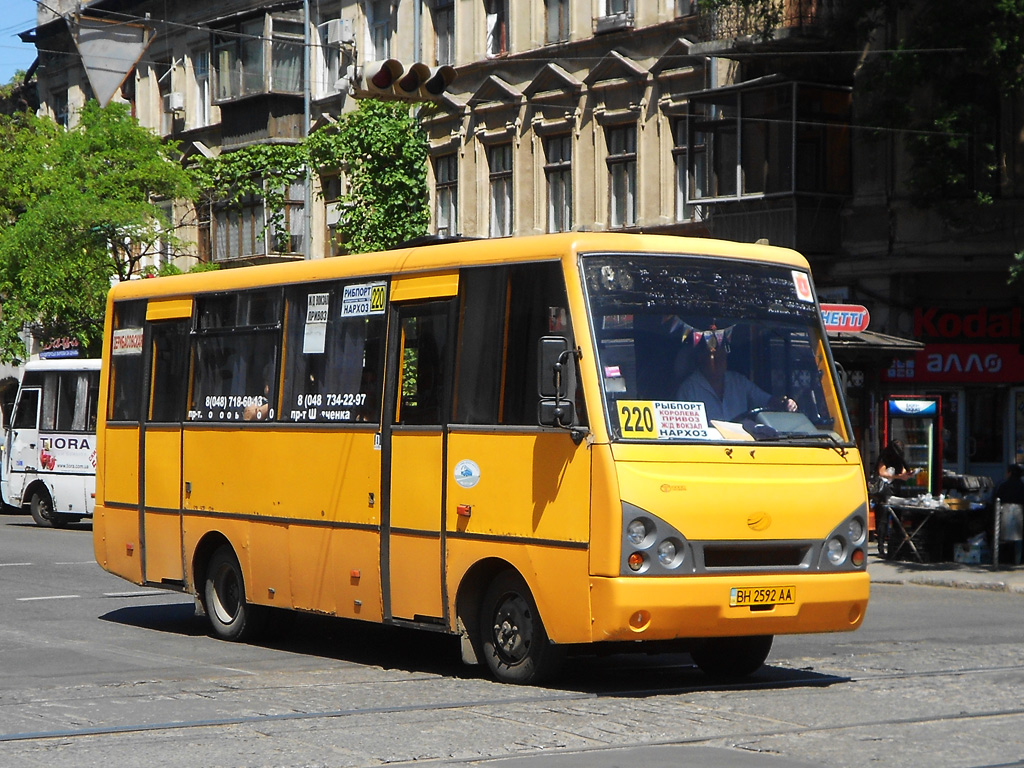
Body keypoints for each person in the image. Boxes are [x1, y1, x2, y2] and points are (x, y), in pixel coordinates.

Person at [676, 338, 796, 422]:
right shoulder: (688, 389)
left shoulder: (739, 382)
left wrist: (785, 404)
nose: (718, 363)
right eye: (713, 359)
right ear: (701, 359)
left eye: (721, 358)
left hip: (743, 448)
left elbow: (767, 401)